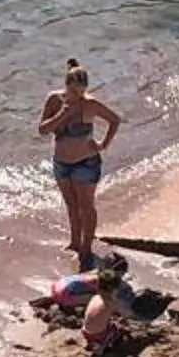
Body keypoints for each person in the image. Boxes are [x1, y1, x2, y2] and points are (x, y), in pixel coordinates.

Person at [38, 60, 123, 271]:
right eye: (74, 91)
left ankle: (86, 247)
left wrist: (103, 144)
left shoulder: (90, 104)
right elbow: (42, 130)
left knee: (86, 206)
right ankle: (75, 242)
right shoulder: (55, 100)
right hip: (62, 163)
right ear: (66, 86)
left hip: (86, 162)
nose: (78, 96)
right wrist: (63, 114)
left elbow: (115, 120)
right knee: (71, 205)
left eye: (81, 92)